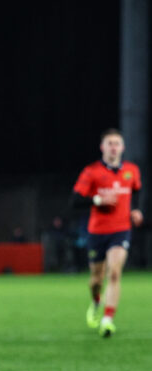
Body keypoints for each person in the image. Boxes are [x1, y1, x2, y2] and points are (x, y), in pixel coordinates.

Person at [72, 128, 143, 337]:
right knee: (96, 279)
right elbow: (74, 200)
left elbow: (136, 192)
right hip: (97, 231)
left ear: (123, 147)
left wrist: (136, 210)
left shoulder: (131, 170)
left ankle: (107, 319)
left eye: (117, 143)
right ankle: (96, 301)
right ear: (102, 147)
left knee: (114, 273)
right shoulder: (91, 171)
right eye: (109, 143)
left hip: (121, 230)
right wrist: (98, 200)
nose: (113, 147)